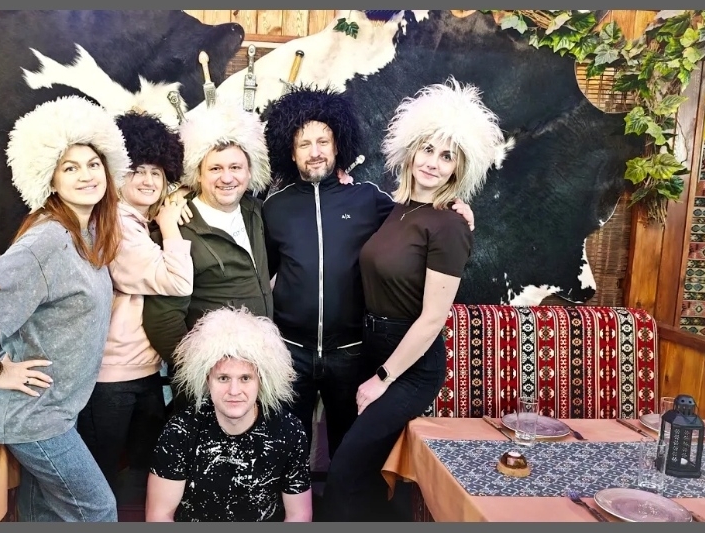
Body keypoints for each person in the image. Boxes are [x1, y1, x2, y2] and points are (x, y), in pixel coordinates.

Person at [321, 77, 514, 521]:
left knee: (346, 470)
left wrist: (382, 378)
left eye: (447, 156)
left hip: (409, 366)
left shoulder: (449, 225)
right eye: (428, 149)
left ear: (458, 169)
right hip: (373, 349)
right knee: (376, 473)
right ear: (410, 152)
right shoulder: (397, 209)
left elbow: (431, 320)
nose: (433, 162)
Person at [260, 85, 475, 469]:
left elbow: (416, 219)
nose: (315, 151)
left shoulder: (368, 199)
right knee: (287, 453)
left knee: (349, 455)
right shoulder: (274, 208)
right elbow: (267, 273)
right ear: (291, 152)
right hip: (291, 353)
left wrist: (457, 206)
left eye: (323, 141)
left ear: (338, 145)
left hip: (352, 353)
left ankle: (342, 504)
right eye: (304, 143)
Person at [0, 95, 131, 522]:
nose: (86, 175)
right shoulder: (47, 240)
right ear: (50, 179)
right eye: (70, 167)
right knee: (98, 510)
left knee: (42, 516)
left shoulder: (87, 233)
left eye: (93, 164)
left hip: (57, 410)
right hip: (33, 416)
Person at [76, 110, 190, 508]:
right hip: (112, 378)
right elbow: (177, 281)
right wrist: (170, 223)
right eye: (137, 170)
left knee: (140, 475)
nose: (147, 180)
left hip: (142, 370)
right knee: (104, 478)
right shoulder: (120, 225)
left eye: (157, 173)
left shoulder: (137, 220)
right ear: (117, 174)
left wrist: (175, 197)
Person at [142, 100, 273, 410]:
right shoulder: (177, 229)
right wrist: (204, 375)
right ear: (198, 174)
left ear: (249, 172)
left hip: (255, 375)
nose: (227, 178)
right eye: (215, 168)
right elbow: (162, 319)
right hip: (209, 385)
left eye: (235, 167)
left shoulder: (256, 212)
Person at [145, 306, 312, 522]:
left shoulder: (289, 431)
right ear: (207, 380)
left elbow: (299, 515)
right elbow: (159, 515)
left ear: (261, 381)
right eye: (223, 378)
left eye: (245, 378)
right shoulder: (181, 431)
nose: (234, 391)